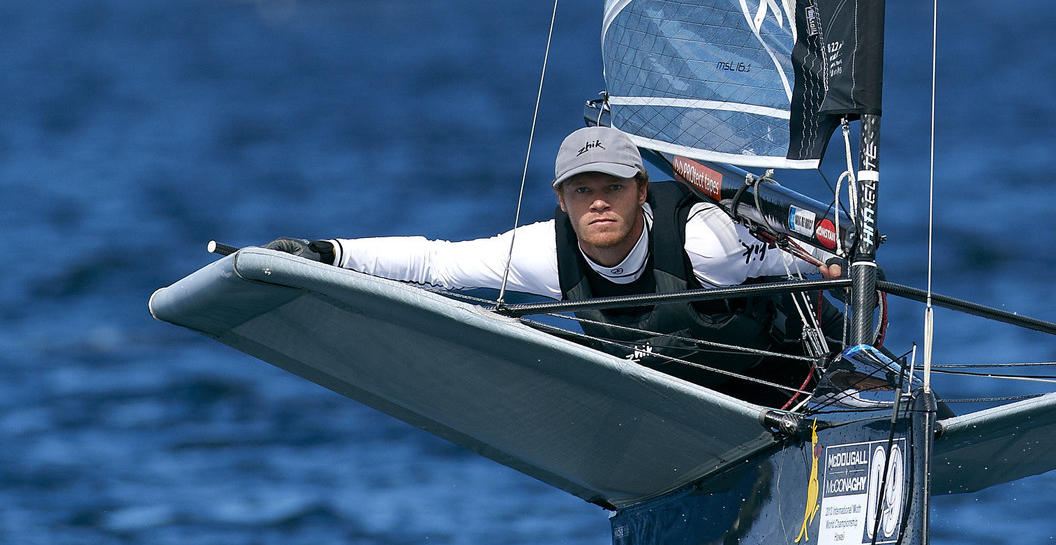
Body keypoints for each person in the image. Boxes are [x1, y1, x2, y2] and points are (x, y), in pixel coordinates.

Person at [268, 125, 837, 403]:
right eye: (581, 190)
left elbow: (812, 267)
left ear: (641, 190)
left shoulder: (707, 241)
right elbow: (435, 263)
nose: (597, 202)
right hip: (702, 409)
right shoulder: (546, 252)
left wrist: (839, 269)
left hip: (799, 387)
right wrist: (325, 253)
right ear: (561, 200)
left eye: (612, 187)